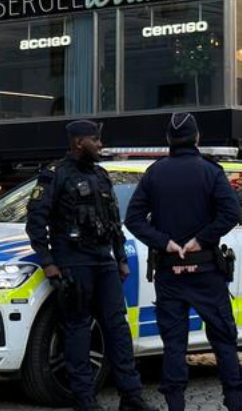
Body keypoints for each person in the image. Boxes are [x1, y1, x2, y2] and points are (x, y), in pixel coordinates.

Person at [25, 120, 154, 411]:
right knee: (78, 331)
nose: (100, 145)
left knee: (118, 328)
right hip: (73, 262)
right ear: (79, 142)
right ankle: (84, 399)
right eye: (95, 140)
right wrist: (47, 262)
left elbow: (113, 222)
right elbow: (35, 221)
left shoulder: (101, 175)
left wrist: (120, 258)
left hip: (103, 261)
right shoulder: (55, 175)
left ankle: (131, 396)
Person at [124, 113, 242, 411]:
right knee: (223, 341)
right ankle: (235, 404)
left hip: (170, 271)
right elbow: (231, 213)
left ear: (168, 140)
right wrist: (202, 240)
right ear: (197, 139)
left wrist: (164, 242)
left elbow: (134, 219)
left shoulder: (155, 173)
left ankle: (175, 405)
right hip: (207, 271)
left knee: (174, 345)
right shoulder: (211, 171)